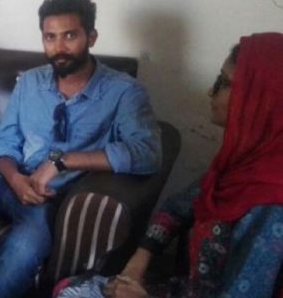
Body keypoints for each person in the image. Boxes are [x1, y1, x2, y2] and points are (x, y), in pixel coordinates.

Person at [0, 0, 162, 298]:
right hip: (5, 180)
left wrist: (62, 160)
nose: (59, 48)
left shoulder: (124, 92)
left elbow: (148, 153)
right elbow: (5, 142)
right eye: (50, 37)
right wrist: (14, 178)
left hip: (51, 198)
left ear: (91, 37)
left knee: (26, 247)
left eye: (70, 36)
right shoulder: (30, 82)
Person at [59, 34, 283, 298]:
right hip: (188, 290)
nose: (211, 91)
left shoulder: (272, 205)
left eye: (223, 83)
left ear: (260, 98)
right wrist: (138, 262)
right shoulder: (243, 164)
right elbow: (177, 208)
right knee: (69, 289)